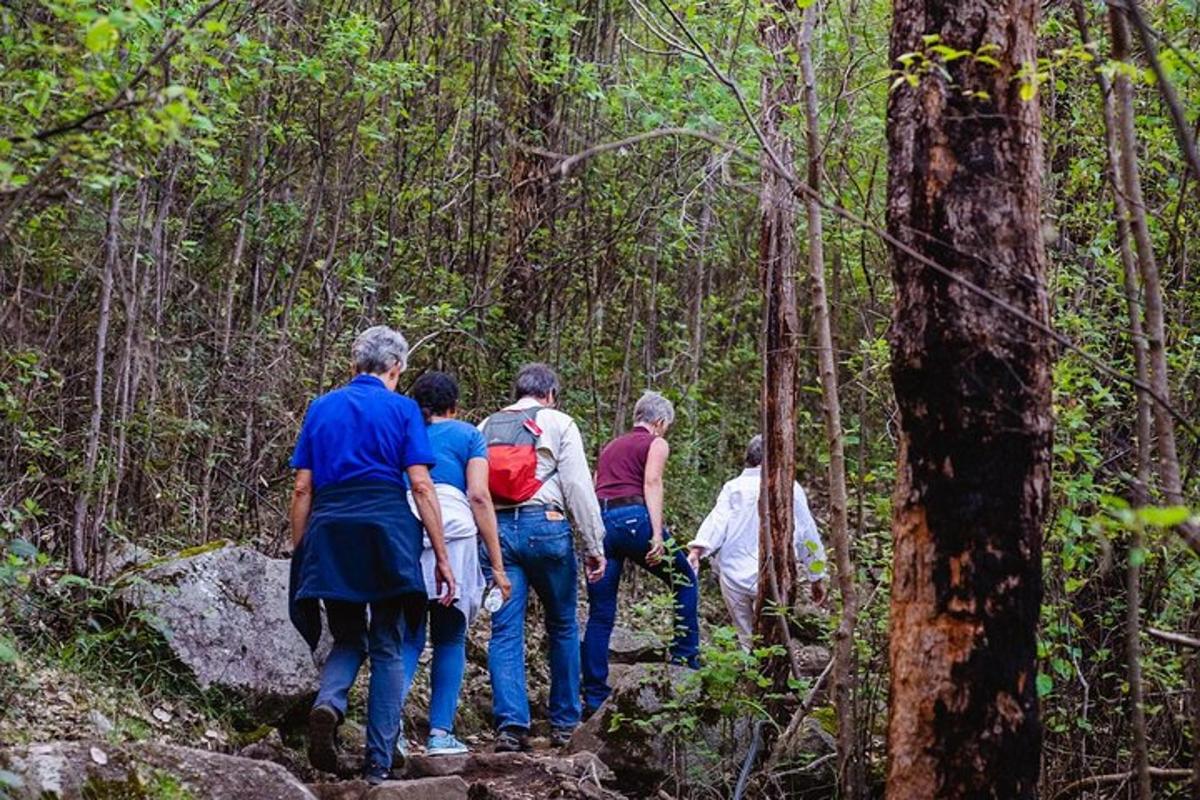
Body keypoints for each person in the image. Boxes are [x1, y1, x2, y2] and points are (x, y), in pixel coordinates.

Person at [288, 325, 455, 785]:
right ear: (396, 368)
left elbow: (303, 486)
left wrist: (301, 548)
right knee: (386, 645)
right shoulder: (402, 410)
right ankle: (378, 765)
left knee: (347, 638)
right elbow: (420, 484)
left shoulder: (321, 408)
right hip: (386, 533)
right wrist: (441, 556)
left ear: (353, 364)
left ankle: (330, 701)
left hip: (331, 530)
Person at [478, 363, 607, 752]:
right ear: (550, 393)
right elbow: (578, 487)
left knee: (505, 630)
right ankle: (565, 723)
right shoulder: (559, 422)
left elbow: (476, 488)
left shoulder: (486, 425)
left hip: (497, 532)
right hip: (546, 525)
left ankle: (510, 728)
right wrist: (594, 545)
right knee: (564, 624)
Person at [399, 371, 512, 757]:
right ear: (455, 405)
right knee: (449, 636)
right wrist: (496, 565)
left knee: (408, 637)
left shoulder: (404, 432)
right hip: (458, 538)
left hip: (410, 533)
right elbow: (479, 496)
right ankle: (439, 734)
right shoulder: (468, 436)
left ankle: (388, 729)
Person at [581, 391, 700, 715]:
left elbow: (593, 487)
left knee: (601, 613)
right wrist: (657, 534)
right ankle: (685, 657)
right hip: (635, 519)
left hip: (601, 525)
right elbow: (652, 482)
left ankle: (593, 696)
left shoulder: (609, 448)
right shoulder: (655, 443)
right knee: (685, 579)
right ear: (659, 423)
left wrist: (591, 538)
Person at [687, 434, 827, 651]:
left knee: (747, 639)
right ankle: (769, 679)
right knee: (773, 639)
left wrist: (698, 549)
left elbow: (717, 520)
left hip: (734, 575)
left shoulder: (734, 487)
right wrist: (816, 575)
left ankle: (752, 674)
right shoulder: (790, 487)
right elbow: (807, 532)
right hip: (773, 574)